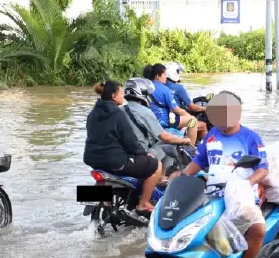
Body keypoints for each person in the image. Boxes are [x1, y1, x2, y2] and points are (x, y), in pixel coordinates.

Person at [177, 91, 268, 258]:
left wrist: (247, 183)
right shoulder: (210, 136)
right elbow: (199, 162)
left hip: (240, 196)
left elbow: (262, 168)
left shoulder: (251, 137)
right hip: (213, 195)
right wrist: (180, 176)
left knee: (258, 229)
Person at [84, 80, 163, 213]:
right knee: (156, 165)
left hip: (93, 160)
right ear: (113, 96)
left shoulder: (92, 113)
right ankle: (143, 203)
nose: (123, 96)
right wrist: (143, 154)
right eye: (121, 93)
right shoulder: (117, 113)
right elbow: (130, 141)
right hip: (114, 161)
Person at [123, 77, 192, 173]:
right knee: (170, 142)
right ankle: (162, 175)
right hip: (142, 153)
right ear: (143, 93)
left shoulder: (119, 110)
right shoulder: (145, 112)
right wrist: (184, 140)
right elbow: (165, 137)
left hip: (126, 153)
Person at [144, 63, 199, 146]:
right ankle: (191, 149)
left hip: (149, 120)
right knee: (193, 121)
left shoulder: (144, 86)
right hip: (163, 121)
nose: (166, 77)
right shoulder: (164, 89)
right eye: (164, 75)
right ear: (157, 76)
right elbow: (177, 110)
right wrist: (190, 116)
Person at [163, 62, 209, 136]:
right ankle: (202, 146)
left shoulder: (159, 87)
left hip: (163, 120)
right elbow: (192, 107)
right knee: (203, 125)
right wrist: (205, 109)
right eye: (178, 71)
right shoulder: (178, 88)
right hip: (175, 121)